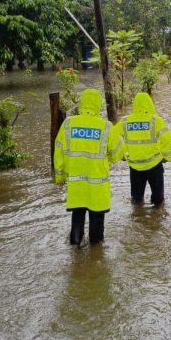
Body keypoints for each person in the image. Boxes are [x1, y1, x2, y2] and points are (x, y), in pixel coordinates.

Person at [54, 88, 125, 246]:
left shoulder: (68, 124)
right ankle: (96, 254)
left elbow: (58, 151)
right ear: (98, 106)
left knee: (77, 217)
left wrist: (59, 177)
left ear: (82, 104)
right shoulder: (105, 127)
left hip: (76, 185)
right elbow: (117, 153)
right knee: (97, 222)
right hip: (97, 186)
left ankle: (75, 250)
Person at [115, 92, 171, 206]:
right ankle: (156, 221)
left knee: (136, 199)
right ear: (149, 103)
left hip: (135, 166)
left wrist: (121, 155)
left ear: (135, 105)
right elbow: (166, 139)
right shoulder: (155, 120)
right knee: (158, 201)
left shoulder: (125, 121)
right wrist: (167, 157)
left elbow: (113, 138)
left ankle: (138, 218)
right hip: (155, 165)